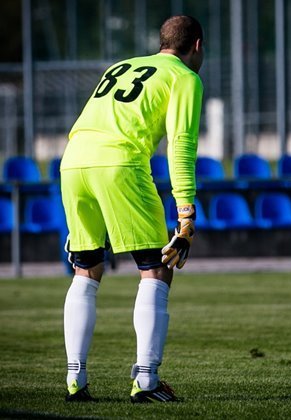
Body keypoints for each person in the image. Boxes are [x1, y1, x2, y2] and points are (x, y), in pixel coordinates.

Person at [60, 15, 204, 403]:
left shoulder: (121, 66)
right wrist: (186, 211)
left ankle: (75, 377)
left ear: (161, 43)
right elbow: (181, 144)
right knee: (156, 268)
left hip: (72, 160)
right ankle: (146, 380)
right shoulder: (185, 77)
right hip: (119, 163)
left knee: (85, 267)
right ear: (197, 46)